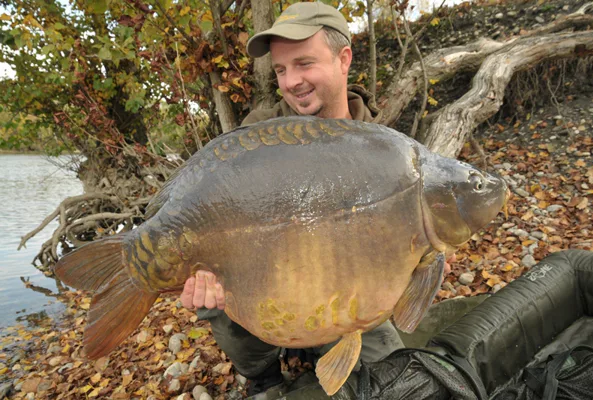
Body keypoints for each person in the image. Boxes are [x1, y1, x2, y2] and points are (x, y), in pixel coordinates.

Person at [180, 2, 453, 396]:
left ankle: (323, 348)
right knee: (216, 293)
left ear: (344, 59)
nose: (291, 82)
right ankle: (262, 373)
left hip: (347, 300)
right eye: (280, 70)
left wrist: (421, 256)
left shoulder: (386, 152)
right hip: (273, 290)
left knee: (391, 380)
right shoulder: (261, 137)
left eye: (304, 64)